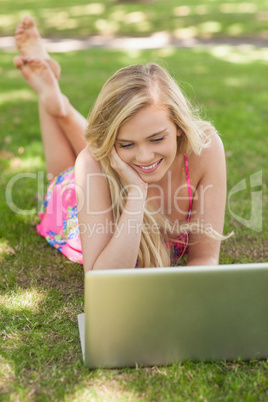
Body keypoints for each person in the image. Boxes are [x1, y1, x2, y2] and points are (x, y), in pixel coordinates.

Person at [13, 16, 228, 272]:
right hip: (75, 197)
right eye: (125, 143)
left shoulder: (205, 147)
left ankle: (61, 107)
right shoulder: (91, 164)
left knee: (107, 157)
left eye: (157, 138)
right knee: (62, 179)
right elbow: (103, 280)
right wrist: (136, 196)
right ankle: (55, 106)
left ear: (179, 126)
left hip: (105, 168)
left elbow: (204, 258)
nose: (146, 156)